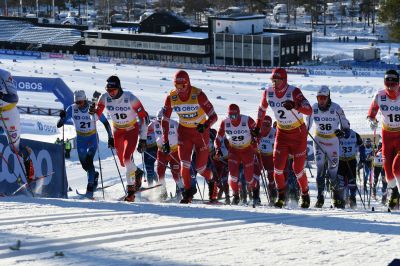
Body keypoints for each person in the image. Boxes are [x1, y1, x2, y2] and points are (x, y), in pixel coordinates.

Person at [256, 67, 312, 208]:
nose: (274, 83)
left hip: (298, 133)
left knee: (298, 169)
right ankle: (281, 195)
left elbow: (309, 109)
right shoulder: (268, 92)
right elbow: (262, 109)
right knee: (278, 169)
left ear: (284, 80)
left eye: (277, 80)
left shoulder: (293, 91)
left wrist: (295, 105)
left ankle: (305, 194)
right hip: (282, 134)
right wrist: (257, 126)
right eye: (272, 80)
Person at [161, 70, 218, 203]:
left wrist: (206, 125)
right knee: (184, 165)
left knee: (200, 168)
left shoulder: (198, 95)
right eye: (177, 86)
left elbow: (214, 116)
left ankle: (211, 181)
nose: (179, 89)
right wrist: (165, 140)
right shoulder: (171, 97)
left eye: (182, 86)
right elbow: (165, 120)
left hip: (200, 133)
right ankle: (188, 193)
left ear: (188, 84)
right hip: (184, 132)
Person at [92, 75, 148, 202]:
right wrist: (92, 113)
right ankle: (137, 172)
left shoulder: (130, 97)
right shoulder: (104, 97)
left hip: (131, 130)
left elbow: (143, 117)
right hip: (117, 131)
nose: (110, 93)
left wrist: (143, 138)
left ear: (119, 88)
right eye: (108, 90)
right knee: (123, 163)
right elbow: (95, 118)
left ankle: (130, 192)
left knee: (127, 159)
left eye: (113, 90)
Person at [57, 90, 112, 198]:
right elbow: (59, 125)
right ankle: (94, 176)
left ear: (85, 100)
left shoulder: (92, 109)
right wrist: (62, 117)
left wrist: (110, 137)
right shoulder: (72, 108)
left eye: (80, 102)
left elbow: (105, 122)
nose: (78, 105)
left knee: (89, 161)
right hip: (81, 139)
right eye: (76, 102)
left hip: (92, 138)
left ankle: (90, 188)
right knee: (84, 165)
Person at [306, 85, 350, 208]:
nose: (321, 100)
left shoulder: (336, 108)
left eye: (324, 98)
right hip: (319, 141)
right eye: (319, 97)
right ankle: (320, 197)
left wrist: (343, 132)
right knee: (320, 169)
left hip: (332, 142)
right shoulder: (313, 108)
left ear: (328, 97)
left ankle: (336, 197)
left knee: (333, 171)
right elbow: (307, 125)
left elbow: (346, 126)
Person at [367, 69, 400, 209]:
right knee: (387, 171)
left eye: (394, 83)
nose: (391, 86)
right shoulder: (379, 96)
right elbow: (371, 113)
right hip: (386, 135)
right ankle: (394, 193)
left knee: (396, 168)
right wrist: (371, 121)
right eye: (388, 82)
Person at [215, 104, 259, 205]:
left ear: (239, 114)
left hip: (247, 150)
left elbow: (258, 133)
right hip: (234, 151)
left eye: (234, 116)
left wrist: (255, 141)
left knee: (249, 178)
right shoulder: (225, 122)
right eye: (230, 116)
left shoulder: (247, 120)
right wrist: (218, 149)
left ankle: (255, 190)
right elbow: (218, 138)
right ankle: (236, 196)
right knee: (233, 176)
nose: (232, 118)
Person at [0, 68, 34, 181]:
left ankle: (30, 174)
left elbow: (14, 98)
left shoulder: (3, 75)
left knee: (14, 148)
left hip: (9, 112)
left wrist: (2, 96)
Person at [149, 108, 183, 200]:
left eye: (162, 119)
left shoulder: (174, 124)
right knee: (160, 173)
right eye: (158, 119)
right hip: (161, 152)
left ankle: (182, 191)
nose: (160, 122)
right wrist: (142, 141)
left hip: (174, 152)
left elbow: (182, 135)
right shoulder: (154, 124)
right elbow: (144, 132)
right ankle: (163, 192)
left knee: (176, 173)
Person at [338, 128, 364, 208]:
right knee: (340, 182)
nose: (345, 130)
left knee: (352, 181)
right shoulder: (338, 134)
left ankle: (352, 199)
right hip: (341, 160)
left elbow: (362, 146)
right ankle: (341, 199)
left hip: (351, 160)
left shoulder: (355, 135)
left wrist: (362, 158)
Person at [254, 115, 277, 204]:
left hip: (270, 156)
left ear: (270, 125)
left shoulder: (274, 132)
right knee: (256, 175)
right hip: (259, 155)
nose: (265, 127)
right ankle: (256, 196)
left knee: (271, 177)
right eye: (263, 124)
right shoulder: (257, 130)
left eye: (267, 125)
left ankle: (273, 195)